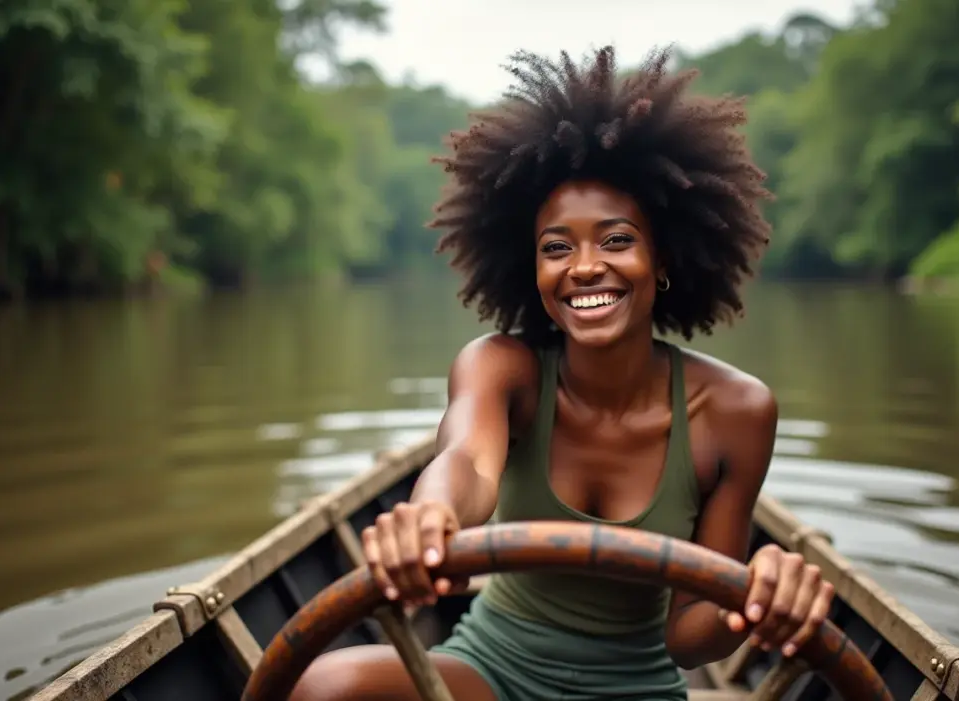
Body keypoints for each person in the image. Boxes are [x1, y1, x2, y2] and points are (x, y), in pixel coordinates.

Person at [292, 45, 835, 701]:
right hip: (491, 670)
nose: (583, 267)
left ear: (661, 258)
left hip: (638, 686)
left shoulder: (738, 411)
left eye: (615, 240)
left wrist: (751, 600)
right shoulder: (500, 367)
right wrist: (430, 514)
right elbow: (468, 463)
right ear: (534, 270)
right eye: (557, 248)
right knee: (325, 684)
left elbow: (690, 634)